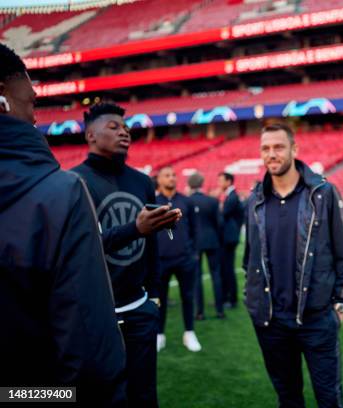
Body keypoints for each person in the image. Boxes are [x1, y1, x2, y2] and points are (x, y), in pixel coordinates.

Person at [0, 43, 127, 406]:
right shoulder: (61, 191)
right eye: (32, 103)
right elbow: (89, 362)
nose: (36, 117)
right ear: (2, 97)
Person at [72, 102, 181, 407]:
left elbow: (153, 243)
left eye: (127, 128)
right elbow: (82, 248)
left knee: (144, 396)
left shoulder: (142, 181)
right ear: (90, 135)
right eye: (114, 127)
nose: (125, 132)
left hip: (139, 309)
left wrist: (155, 296)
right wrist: (135, 229)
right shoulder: (73, 182)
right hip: (97, 314)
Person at [243, 123, 343, 407]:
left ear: (294, 149)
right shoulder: (255, 199)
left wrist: (339, 304)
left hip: (317, 318)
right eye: (266, 148)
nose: (272, 154)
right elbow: (249, 259)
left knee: (330, 399)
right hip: (271, 322)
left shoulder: (323, 193)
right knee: (288, 398)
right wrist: (252, 299)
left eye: (278, 147)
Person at [155, 166, 202, 352]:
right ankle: (159, 334)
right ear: (159, 180)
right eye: (167, 175)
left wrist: (194, 253)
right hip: (160, 259)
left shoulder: (186, 201)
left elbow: (195, 229)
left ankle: (189, 332)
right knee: (160, 299)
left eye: (174, 175)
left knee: (188, 297)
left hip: (184, 259)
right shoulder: (152, 202)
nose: (172, 178)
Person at [188, 172, 225, 319]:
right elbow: (219, 223)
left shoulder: (186, 201)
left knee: (197, 277)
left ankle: (199, 312)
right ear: (202, 183)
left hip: (195, 243)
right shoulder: (212, 201)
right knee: (216, 275)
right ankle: (220, 310)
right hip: (212, 241)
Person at [218, 171, 243, 308]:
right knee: (225, 268)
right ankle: (226, 296)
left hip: (229, 238)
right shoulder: (230, 195)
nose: (219, 183)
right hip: (228, 237)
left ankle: (231, 299)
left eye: (221, 180)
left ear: (228, 181)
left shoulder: (232, 197)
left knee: (227, 268)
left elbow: (224, 214)